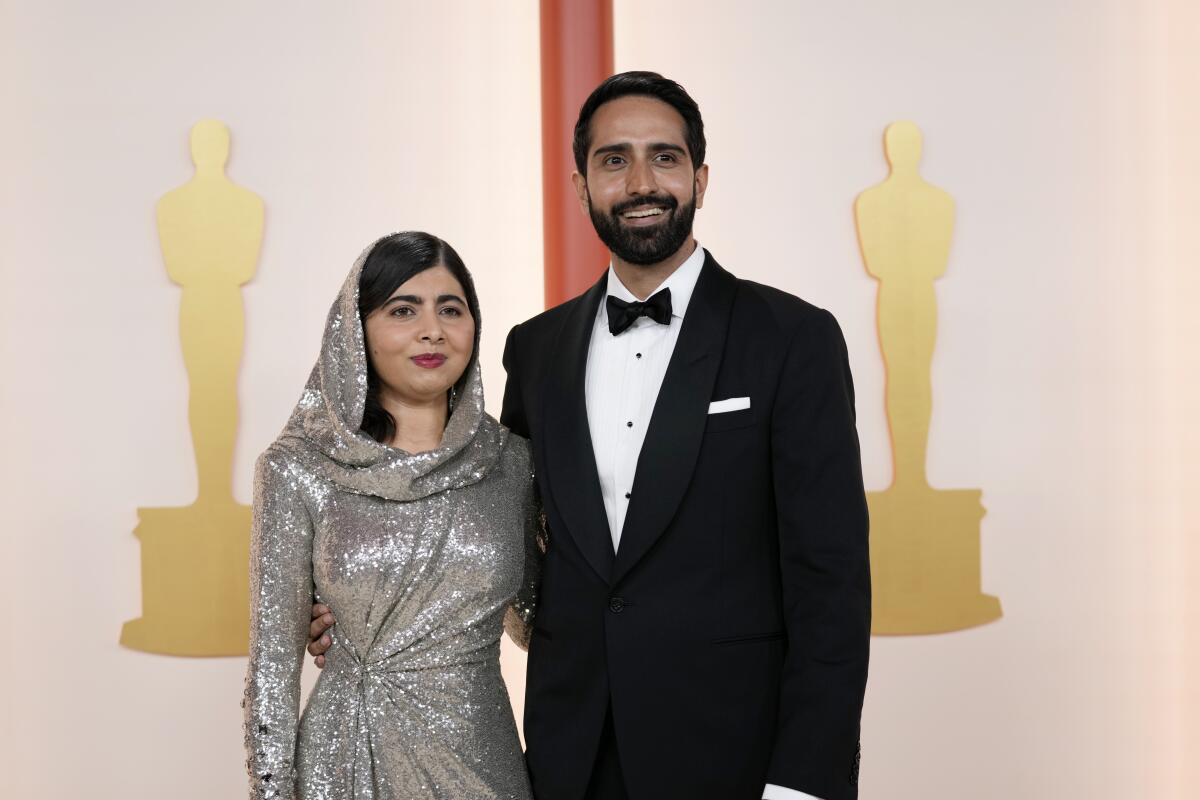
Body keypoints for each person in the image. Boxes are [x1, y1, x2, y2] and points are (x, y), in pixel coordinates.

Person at [311, 72, 870, 800]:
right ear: (581, 187)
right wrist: (363, 608)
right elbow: (497, 533)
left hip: (735, 759)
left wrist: (803, 784)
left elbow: (831, 587)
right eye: (614, 160)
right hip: (568, 759)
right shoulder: (534, 350)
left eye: (664, 158)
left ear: (701, 177)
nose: (641, 181)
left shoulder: (793, 338)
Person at [243, 232, 542, 800]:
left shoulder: (512, 464)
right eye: (403, 310)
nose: (432, 330)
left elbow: (533, 623)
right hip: (345, 758)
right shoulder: (298, 468)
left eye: (450, 309)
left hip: (482, 759)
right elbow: (271, 675)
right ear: (355, 332)